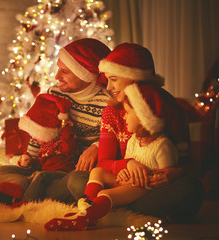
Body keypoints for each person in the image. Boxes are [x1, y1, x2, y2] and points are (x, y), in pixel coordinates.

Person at [66, 43, 204, 223]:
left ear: (136, 78)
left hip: (152, 187)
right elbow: (104, 162)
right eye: (107, 79)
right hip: (121, 182)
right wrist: (127, 164)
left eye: (114, 79)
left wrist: (175, 173)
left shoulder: (168, 108)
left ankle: (110, 207)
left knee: (191, 188)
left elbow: (190, 165)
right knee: (76, 180)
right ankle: (120, 207)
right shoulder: (112, 111)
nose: (108, 87)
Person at [0, 38, 112, 204]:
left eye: (65, 72)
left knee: (77, 184)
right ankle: (34, 190)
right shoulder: (54, 93)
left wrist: (97, 146)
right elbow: (41, 131)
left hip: (75, 172)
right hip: (49, 165)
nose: (57, 76)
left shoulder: (107, 102)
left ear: (85, 74)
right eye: (59, 69)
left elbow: (118, 140)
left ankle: (22, 197)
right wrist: (28, 159)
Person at [44, 83, 181, 231]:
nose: (124, 116)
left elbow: (166, 179)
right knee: (97, 172)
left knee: (104, 193)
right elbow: (124, 161)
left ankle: (87, 218)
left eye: (128, 112)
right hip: (127, 182)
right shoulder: (134, 140)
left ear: (143, 117)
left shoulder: (162, 146)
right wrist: (123, 172)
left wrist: (142, 178)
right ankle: (86, 206)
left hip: (143, 187)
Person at [0, 93, 79, 204]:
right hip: (47, 175)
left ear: (48, 132)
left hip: (62, 174)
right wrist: (30, 161)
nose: (34, 139)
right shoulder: (45, 146)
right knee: (34, 175)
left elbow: (69, 149)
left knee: (40, 175)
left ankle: (25, 202)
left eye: (37, 135)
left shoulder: (61, 141)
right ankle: (13, 195)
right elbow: (42, 164)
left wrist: (66, 129)